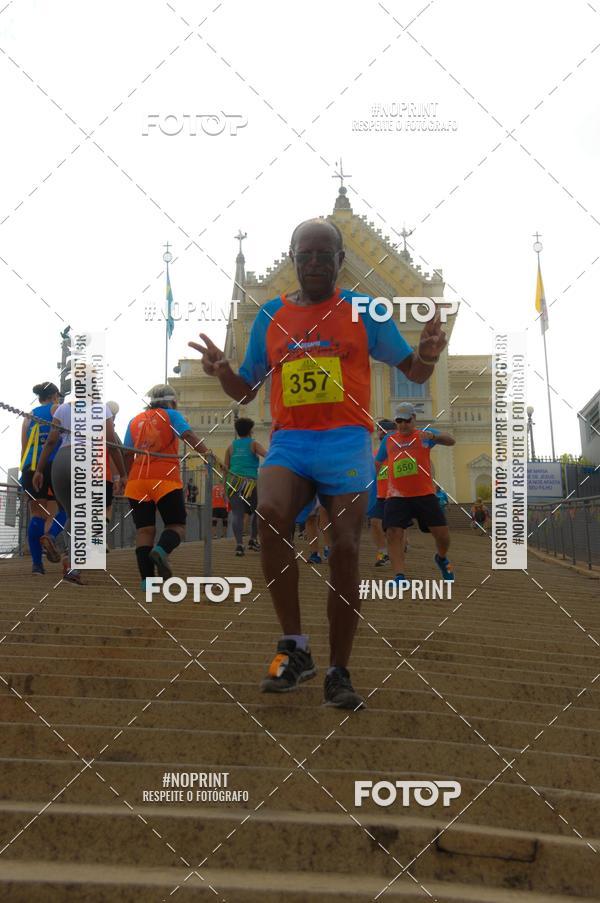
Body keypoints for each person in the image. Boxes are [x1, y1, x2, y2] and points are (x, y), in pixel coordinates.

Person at [190, 217, 447, 708]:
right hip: (291, 441)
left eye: (323, 255)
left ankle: (339, 670)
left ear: (340, 261)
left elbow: (411, 369)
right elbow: (246, 390)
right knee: (270, 514)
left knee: (346, 546)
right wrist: (222, 370)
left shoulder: (364, 310)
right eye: (304, 255)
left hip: (347, 442)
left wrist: (429, 355)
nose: (313, 263)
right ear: (292, 259)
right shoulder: (270, 316)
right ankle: (296, 648)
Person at [33, 392, 126, 585]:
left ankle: (69, 559)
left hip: (61, 461)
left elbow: (51, 442)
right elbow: (112, 444)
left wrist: (39, 470)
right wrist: (123, 474)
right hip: (86, 461)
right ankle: (74, 566)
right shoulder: (102, 408)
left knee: (71, 514)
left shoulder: (63, 408)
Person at [122, 384, 209, 589]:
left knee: (144, 530)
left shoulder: (134, 420)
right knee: (176, 526)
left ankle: (147, 582)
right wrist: (206, 453)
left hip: (137, 481)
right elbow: (187, 435)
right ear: (172, 401)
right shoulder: (171, 414)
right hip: (165, 480)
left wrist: (127, 477)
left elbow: (126, 452)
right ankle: (161, 551)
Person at [377, 403, 456, 587]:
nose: (403, 424)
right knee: (393, 533)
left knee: (442, 535)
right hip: (396, 495)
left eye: (406, 420)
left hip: (424, 494)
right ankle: (399, 577)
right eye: (399, 421)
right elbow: (379, 461)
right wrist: (384, 483)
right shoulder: (388, 440)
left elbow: (451, 440)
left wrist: (434, 437)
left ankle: (441, 558)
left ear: (414, 419)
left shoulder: (424, 434)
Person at [19, 382, 66, 575]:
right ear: (55, 395)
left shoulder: (28, 417)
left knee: (37, 513)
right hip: (54, 464)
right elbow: (59, 439)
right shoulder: (59, 409)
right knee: (66, 508)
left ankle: (37, 565)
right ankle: (51, 535)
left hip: (30, 466)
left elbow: (24, 447)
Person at [223, 417, 266, 556]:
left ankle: (239, 545)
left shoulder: (231, 447)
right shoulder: (253, 444)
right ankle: (253, 539)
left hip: (233, 481)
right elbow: (268, 455)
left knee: (237, 513)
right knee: (257, 511)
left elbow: (226, 468)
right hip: (250, 481)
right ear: (251, 430)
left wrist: (225, 487)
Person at [367, 419, 396, 567]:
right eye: (378, 430)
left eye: (382, 430)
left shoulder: (397, 452)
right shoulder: (374, 453)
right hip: (378, 495)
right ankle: (382, 553)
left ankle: (395, 553)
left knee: (394, 528)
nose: (379, 433)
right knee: (374, 523)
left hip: (395, 495)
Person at [105, 400, 122, 553]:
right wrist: (118, 478)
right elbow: (113, 455)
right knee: (106, 508)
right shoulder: (112, 434)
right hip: (105, 476)